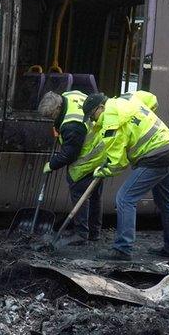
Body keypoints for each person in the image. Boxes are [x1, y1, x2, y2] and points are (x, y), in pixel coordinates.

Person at [83, 92, 169, 261]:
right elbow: (152, 99)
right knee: (165, 201)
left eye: (93, 116)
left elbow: (117, 163)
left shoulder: (110, 117)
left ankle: (123, 249)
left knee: (125, 198)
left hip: (156, 155)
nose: (94, 121)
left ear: (100, 107)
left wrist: (103, 170)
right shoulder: (128, 98)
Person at [37, 90, 106, 244]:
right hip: (101, 149)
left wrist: (52, 164)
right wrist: (57, 125)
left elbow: (70, 154)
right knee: (94, 194)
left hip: (90, 155)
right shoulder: (69, 95)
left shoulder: (72, 125)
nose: (51, 120)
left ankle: (81, 233)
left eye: (51, 117)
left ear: (57, 109)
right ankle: (94, 232)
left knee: (78, 188)